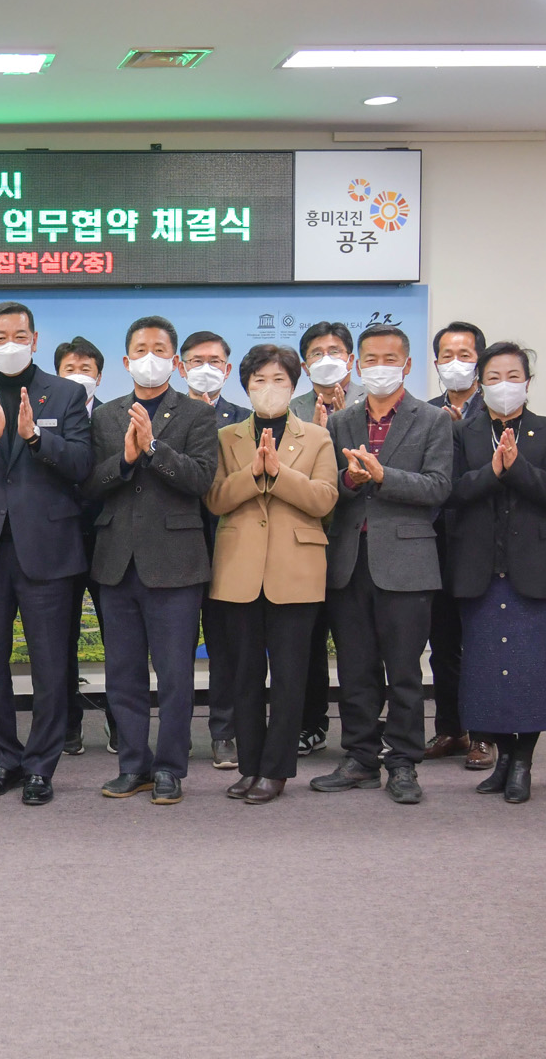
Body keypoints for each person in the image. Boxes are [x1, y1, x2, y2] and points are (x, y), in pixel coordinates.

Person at [0, 301, 93, 805]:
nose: (11, 344)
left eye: (20, 335)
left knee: (51, 665)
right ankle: (3, 759)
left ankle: (41, 767)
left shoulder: (67, 393)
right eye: (1, 336)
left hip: (47, 550)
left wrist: (34, 437)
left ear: (35, 339)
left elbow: (81, 464)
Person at [311, 324, 452, 805]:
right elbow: (330, 488)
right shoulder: (341, 422)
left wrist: (382, 475)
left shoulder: (432, 420)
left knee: (405, 671)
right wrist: (351, 481)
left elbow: (439, 487)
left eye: (390, 360)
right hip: (349, 561)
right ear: (356, 364)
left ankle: (404, 762)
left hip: (408, 563)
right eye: (370, 360)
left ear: (408, 365)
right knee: (355, 669)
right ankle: (360, 758)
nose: (379, 368)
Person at [83, 316, 217, 804]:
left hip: (176, 563)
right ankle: (133, 765)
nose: (150, 357)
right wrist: (123, 459)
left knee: (175, 675)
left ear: (174, 360)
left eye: (159, 349)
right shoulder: (106, 416)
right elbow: (90, 484)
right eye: (141, 349)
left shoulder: (197, 414)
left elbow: (200, 480)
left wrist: (153, 448)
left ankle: (170, 769)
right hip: (117, 562)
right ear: (126, 360)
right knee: (123, 675)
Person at [206, 344, 339, 804]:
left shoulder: (318, 437)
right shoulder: (226, 437)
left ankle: (277, 770)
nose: (269, 388)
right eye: (259, 380)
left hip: (296, 570)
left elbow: (324, 500)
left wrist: (279, 474)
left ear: (294, 385)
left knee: (288, 676)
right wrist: (253, 473)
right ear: (245, 386)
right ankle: (250, 766)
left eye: (279, 379)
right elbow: (216, 499)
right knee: (243, 675)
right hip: (238, 570)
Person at [447, 342, 546, 803]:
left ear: (528, 382)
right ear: (480, 384)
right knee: (487, 672)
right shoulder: (464, 432)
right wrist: (493, 472)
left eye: (513, 376)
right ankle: (501, 760)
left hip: (534, 569)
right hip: (480, 568)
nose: (504, 385)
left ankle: (523, 761)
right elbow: (452, 491)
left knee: (531, 671)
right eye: (494, 378)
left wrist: (516, 468)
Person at [179, 329, 251, 770]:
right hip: (177, 549)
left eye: (214, 361)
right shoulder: (166, 416)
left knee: (227, 649)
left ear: (227, 369)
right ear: (181, 367)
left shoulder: (245, 421)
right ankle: (177, 734)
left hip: (229, 548)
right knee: (176, 650)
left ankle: (225, 732)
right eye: (196, 361)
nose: (205, 369)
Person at [423, 322, 492, 770]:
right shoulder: (425, 413)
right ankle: (451, 728)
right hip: (435, 543)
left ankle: (485, 734)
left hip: (483, 543)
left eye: (464, 354)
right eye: (446, 355)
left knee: (482, 642)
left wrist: (460, 434)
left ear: (480, 361)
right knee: (443, 642)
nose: (455, 363)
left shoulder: (500, 411)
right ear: (435, 363)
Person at [289, 322, 360, 758]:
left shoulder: (372, 404)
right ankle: (310, 723)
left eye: (335, 350)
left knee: (359, 644)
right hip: (307, 539)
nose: (326, 359)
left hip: (357, 539)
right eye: (317, 352)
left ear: (351, 358)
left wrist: (340, 429)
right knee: (308, 640)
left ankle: (363, 731)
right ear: (304, 364)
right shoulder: (291, 408)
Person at [54, 336, 109, 757]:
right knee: (61, 640)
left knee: (119, 640)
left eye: (85, 370)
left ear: (99, 376)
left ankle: (120, 724)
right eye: (69, 370)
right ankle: (68, 726)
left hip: (110, 540)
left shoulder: (114, 417)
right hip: (58, 542)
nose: (78, 377)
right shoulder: (43, 417)